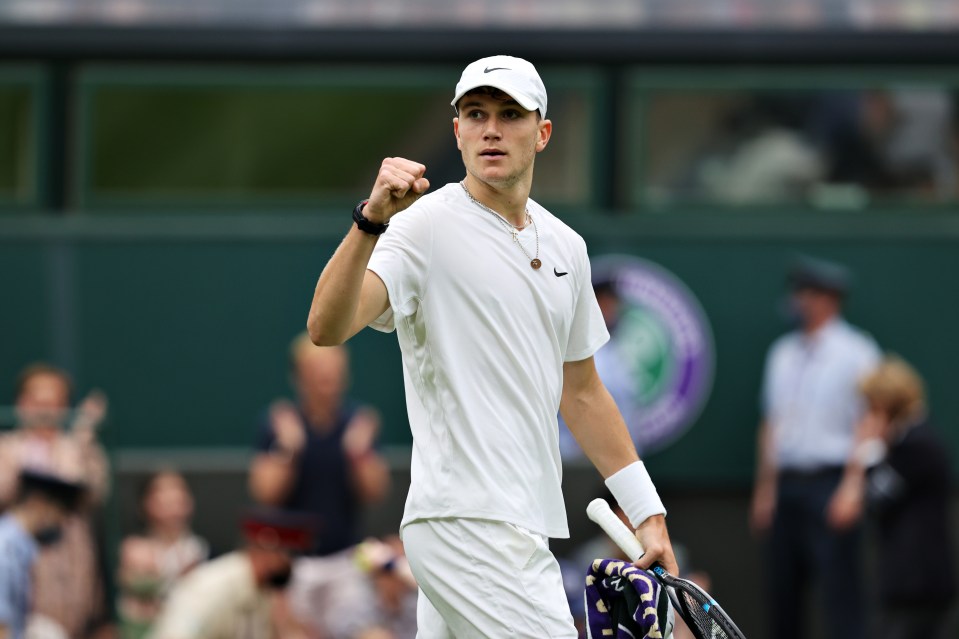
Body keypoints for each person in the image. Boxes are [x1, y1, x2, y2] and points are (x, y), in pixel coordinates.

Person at [305, 54, 678, 637]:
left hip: (519, 523)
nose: (491, 129)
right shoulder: (420, 226)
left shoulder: (568, 248)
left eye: (510, 114)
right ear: (457, 130)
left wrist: (647, 512)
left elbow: (582, 394)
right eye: (475, 114)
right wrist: (370, 220)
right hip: (466, 525)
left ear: (542, 132)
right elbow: (327, 327)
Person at [750, 256, 881, 639]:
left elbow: (868, 423)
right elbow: (770, 425)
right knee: (782, 594)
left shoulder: (857, 350)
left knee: (840, 593)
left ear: (829, 299)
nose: (800, 301)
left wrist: (853, 488)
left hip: (831, 482)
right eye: (799, 293)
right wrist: (765, 491)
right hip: (787, 485)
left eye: (808, 293)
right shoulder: (782, 353)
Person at [248, 334, 390, 638]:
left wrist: (359, 452)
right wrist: (287, 449)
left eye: (334, 373)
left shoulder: (357, 423)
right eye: (318, 373)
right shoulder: (279, 423)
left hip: (346, 561)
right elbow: (264, 491)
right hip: (293, 566)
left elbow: (377, 490)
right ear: (299, 377)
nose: (328, 381)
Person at [829, 356, 957, 639]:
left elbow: (851, 508)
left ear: (886, 407)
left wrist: (863, 451)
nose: (866, 417)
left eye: (871, 409)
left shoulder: (918, 445)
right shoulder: (905, 446)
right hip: (907, 591)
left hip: (920, 589)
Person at [0, 364, 111, 639]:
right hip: (22, 568)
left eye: (55, 403)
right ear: (22, 403)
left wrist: (83, 437)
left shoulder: (77, 446)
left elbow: (95, 491)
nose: (46, 411)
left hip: (73, 566)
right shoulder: (6, 447)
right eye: (38, 402)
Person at [147, 508, 311, 639]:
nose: (291, 565)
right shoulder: (214, 587)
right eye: (288, 555)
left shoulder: (263, 592)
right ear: (268, 553)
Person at [116, 470, 209, 639]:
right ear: (146, 502)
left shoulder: (199, 550)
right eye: (161, 491)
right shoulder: (133, 549)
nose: (171, 498)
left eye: (178, 490)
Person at [0, 470, 84, 639]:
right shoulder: (5, 550)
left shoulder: (19, 549)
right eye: (61, 513)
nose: (62, 523)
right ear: (38, 503)